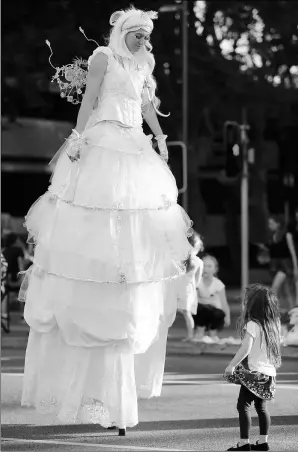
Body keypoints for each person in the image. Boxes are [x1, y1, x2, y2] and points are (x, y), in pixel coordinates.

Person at [18, 7, 193, 435]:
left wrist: (162, 139)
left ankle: (121, 288)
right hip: (105, 139)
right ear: (123, 32)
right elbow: (91, 101)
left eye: (145, 36)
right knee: (94, 219)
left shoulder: (143, 64)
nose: (141, 41)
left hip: (135, 146)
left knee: (138, 228)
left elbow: (149, 104)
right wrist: (77, 140)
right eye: (136, 34)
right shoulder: (103, 58)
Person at [224, 284, 281, 451]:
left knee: (243, 406)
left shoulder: (253, 324)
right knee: (262, 407)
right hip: (269, 373)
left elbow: (245, 348)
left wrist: (231, 365)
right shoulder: (274, 324)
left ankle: (244, 443)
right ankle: (263, 442)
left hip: (254, 373)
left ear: (252, 305)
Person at [192, 255, 230, 343]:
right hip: (201, 311)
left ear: (215, 269)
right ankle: (199, 332)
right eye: (204, 266)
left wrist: (227, 316)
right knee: (199, 309)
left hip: (214, 312)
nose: (206, 269)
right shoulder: (197, 282)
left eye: (209, 266)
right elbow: (194, 300)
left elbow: (224, 302)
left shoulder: (218, 284)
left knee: (217, 314)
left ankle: (213, 334)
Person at [267, 215, 298, 309]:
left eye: (272, 223)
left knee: (275, 287)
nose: (270, 225)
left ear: (278, 224)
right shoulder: (273, 236)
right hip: (276, 265)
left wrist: (296, 268)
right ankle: (291, 310)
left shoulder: (287, 235)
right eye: (269, 223)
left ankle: (276, 311)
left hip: (286, 266)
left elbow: (292, 252)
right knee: (286, 290)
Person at [177, 232, 203, 341]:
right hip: (188, 289)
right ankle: (190, 335)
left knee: (171, 311)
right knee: (187, 313)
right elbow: (197, 280)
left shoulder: (178, 258)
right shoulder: (198, 261)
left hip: (177, 288)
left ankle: (161, 334)